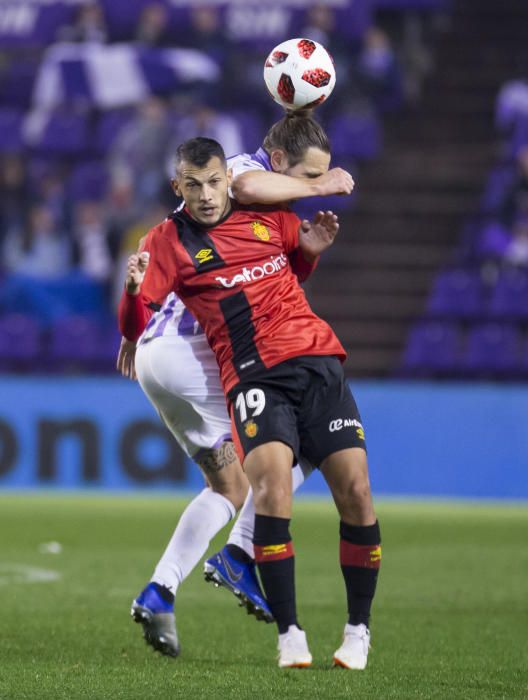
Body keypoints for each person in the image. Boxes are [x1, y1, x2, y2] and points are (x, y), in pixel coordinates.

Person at [119, 137, 380, 670]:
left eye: (213, 183)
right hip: (202, 351)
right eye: (194, 185)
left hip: (158, 357)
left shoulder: (264, 218)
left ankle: (160, 590)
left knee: (230, 485)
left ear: (224, 178)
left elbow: (283, 272)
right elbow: (139, 310)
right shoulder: (217, 205)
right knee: (281, 459)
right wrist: (132, 298)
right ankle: (241, 553)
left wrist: (306, 252)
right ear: (179, 187)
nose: (209, 194)